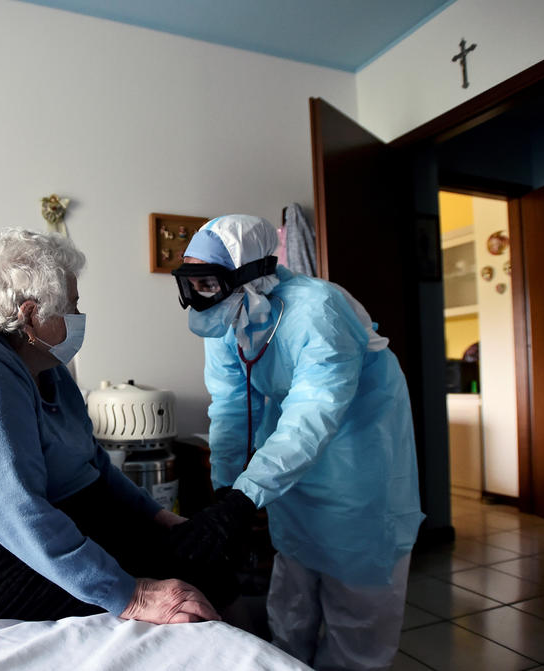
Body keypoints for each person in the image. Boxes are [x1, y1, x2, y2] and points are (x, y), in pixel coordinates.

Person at [0, 228, 241, 625]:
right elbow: (15, 510)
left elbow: (93, 464)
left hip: (63, 516)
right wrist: (132, 595)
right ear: (31, 314)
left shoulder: (48, 367)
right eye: (72, 306)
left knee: (204, 553)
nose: (79, 317)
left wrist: (157, 517)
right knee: (188, 578)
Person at [169, 215, 424, 669]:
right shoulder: (229, 314)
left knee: (356, 616)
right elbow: (230, 405)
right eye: (189, 284)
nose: (196, 299)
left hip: (356, 463)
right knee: (291, 599)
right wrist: (227, 488)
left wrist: (247, 496)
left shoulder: (317, 311)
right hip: (292, 465)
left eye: (205, 283)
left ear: (249, 274)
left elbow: (313, 414)